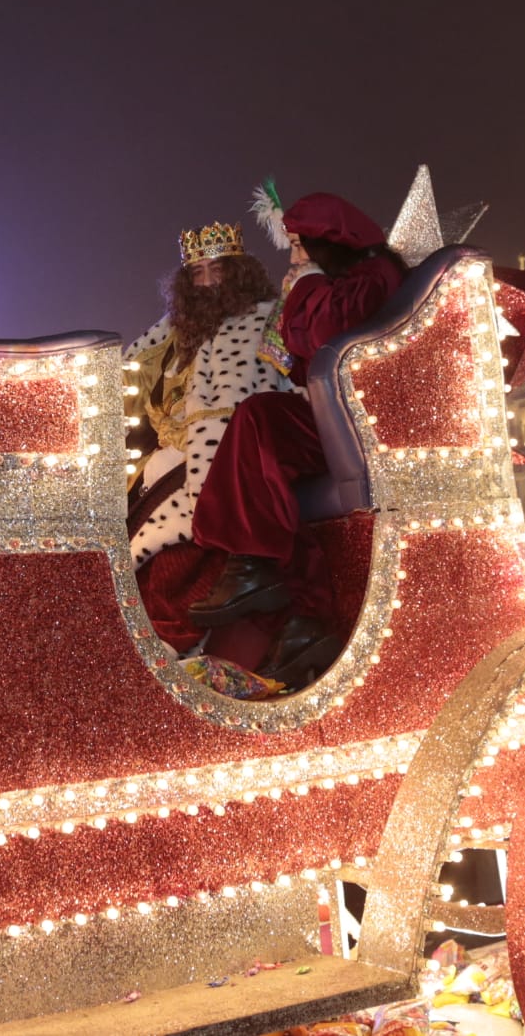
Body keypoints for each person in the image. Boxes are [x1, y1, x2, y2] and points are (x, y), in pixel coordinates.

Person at [188, 190, 407, 684]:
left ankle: (254, 567)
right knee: (258, 422)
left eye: (303, 249)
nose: (295, 261)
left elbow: (327, 330)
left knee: (260, 419)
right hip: (338, 417)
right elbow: (295, 354)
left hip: (363, 425)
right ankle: (269, 581)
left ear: (332, 243)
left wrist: (305, 285)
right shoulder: (343, 281)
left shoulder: (373, 277)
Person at [122, 221, 287, 648]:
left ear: (239, 274)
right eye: (198, 273)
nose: (208, 281)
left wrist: (202, 479)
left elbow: (233, 411)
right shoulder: (175, 335)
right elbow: (127, 380)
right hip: (169, 460)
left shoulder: (253, 322)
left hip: (228, 461)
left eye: (218, 269)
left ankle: (178, 654)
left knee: (169, 565)